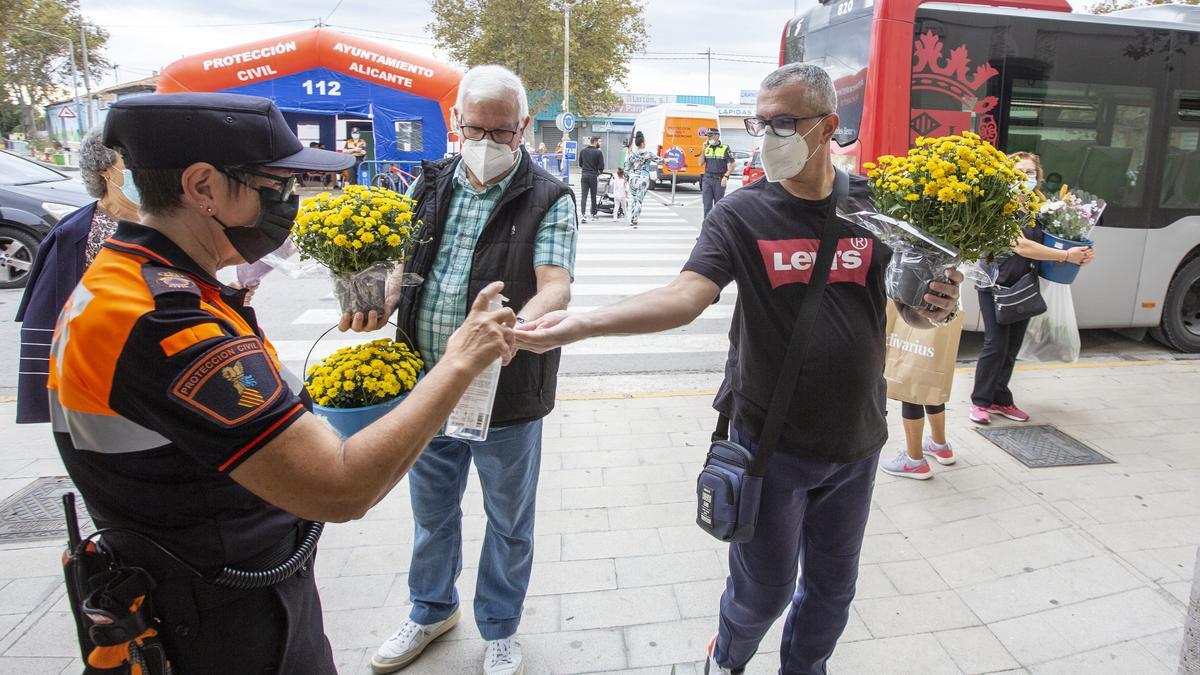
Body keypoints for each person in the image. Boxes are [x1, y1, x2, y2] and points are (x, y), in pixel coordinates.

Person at [516, 63, 962, 675]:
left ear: (828, 126)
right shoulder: (741, 213)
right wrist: (586, 323)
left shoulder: (872, 207)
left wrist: (934, 305)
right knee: (764, 592)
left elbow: (912, 310)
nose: (767, 135)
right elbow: (685, 295)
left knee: (833, 592)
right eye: (761, 122)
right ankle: (726, 659)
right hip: (769, 446)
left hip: (858, 440)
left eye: (784, 122)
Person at [47, 92, 515, 673]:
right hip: (220, 616)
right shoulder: (165, 324)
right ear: (203, 187)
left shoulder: (135, 281)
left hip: (206, 586)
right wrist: (459, 361)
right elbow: (341, 487)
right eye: (274, 185)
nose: (289, 202)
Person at [340, 65, 577, 675]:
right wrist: (380, 297)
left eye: (505, 133)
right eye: (479, 129)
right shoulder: (429, 183)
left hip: (506, 392)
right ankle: (429, 610)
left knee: (508, 519)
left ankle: (499, 627)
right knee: (432, 510)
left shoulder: (548, 196)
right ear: (456, 122)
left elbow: (555, 287)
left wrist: (514, 328)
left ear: (524, 127)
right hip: (426, 386)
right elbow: (406, 269)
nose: (491, 143)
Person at [15, 127, 140, 424]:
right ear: (106, 172)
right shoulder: (77, 235)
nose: (140, 172)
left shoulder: (163, 221)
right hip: (105, 375)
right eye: (130, 163)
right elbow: (47, 315)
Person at [970, 151, 1095, 424]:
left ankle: (1000, 399)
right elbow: (1021, 245)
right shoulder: (999, 206)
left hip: (1024, 282)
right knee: (996, 343)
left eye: (1031, 173)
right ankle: (980, 402)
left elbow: (1054, 242)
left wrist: (1079, 252)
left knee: (1011, 346)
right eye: (1020, 172)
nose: (1026, 178)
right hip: (995, 282)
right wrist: (1066, 256)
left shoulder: (1038, 209)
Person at [624, 131, 661, 228]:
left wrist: (627, 179)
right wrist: (670, 160)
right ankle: (635, 219)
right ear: (642, 143)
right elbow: (660, 160)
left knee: (634, 199)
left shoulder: (632, 155)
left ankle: (631, 218)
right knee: (639, 201)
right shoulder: (649, 154)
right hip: (643, 179)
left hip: (633, 179)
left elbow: (626, 169)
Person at [701, 128, 735, 216]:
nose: (708, 138)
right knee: (707, 205)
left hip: (719, 179)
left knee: (718, 206)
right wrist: (703, 150)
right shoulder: (707, 148)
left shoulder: (725, 148)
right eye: (708, 136)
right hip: (707, 178)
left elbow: (733, 164)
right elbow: (701, 163)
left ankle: (717, 226)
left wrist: (726, 176)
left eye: (710, 135)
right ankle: (707, 226)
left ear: (717, 136)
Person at [579, 135, 605, 222]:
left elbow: (580, 164)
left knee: (584, 195)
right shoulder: (598, 152)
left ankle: (583, 215)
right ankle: (593, 214)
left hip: (584, 175)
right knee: (593, 196)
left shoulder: (583, 151)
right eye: (600, 142)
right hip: (593, 176)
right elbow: (601, 167)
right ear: (595, 142)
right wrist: (598, 172)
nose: (600, 144)